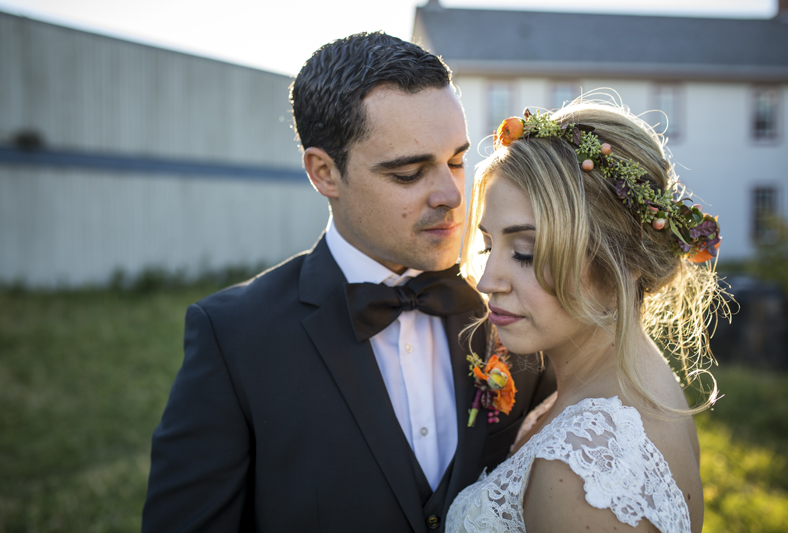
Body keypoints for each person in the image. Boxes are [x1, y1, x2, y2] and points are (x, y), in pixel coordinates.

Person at [142, 32, 555, 532]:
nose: (450, 194)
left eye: (456, 161)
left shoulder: (516, 307)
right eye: (408, 172)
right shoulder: (233, 337)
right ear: (324, 173)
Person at [445, 102, 725, 533]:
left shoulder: (583, 475)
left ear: (619, 261)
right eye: (487, 246)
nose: (487, 282)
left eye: (526, 253)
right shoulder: (640, 382)